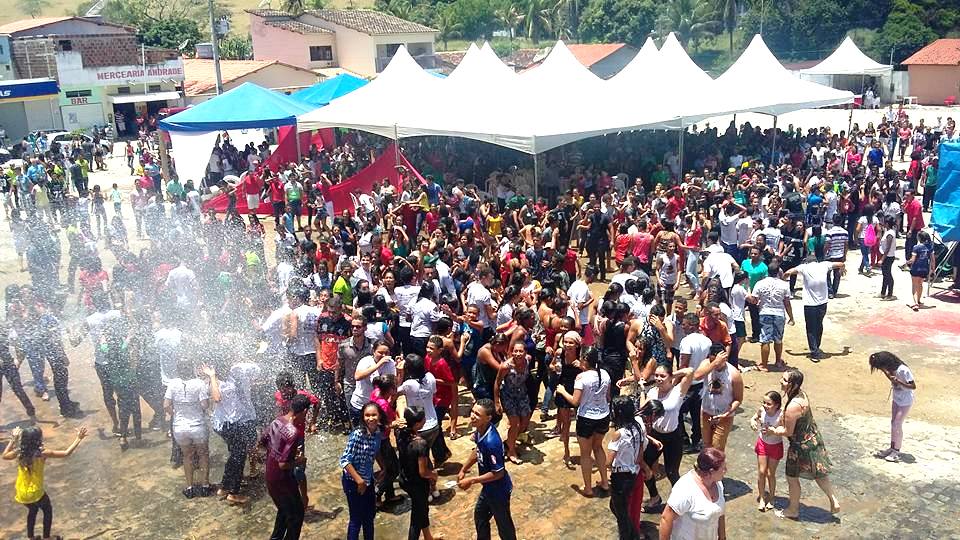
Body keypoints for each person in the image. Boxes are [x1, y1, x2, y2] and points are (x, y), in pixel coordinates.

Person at [765, 370, 841, 519]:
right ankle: (833, 499)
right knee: (818, 472)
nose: (781, 381)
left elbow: (787, 431)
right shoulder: (802, 395)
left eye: (785, 380)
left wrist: (773, 430)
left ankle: (793, 510)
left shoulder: (793, 406)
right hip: (813, 439)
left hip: (800, 447)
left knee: (792, 478)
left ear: (794, 385)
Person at [3, 425, 88, 540]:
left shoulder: (19, 452)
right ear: (38, 439)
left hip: (21, 491)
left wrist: (13, 440)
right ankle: (47, 537)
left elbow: (4, 456)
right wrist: (78, 438)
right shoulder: (42, 453)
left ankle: (31, 537)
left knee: (32, 510)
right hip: (36, 491)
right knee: (47, 510)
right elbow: (66, 453)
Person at [457, 398, 517, 540]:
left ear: (488, 418)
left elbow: (498, 473)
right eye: (472, 412)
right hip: (488, 488)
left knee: (504, 526)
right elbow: (477, 450)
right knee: (480, 516)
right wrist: (464, 469)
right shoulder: (480, 430)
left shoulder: (492, 442)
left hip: (498, 491)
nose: (472, 416)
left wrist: (472, 480)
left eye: (477, 414)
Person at [639, 363, 695, 512]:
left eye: (662, 376)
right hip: (655, 436)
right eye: (656, 375)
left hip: (673, 437)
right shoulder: (652, 392)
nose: (658, 378)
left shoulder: (678, 391)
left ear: (670, 377)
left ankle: (682, 501)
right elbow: (642, 410)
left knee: (672, 472)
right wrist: (643, 391)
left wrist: (672, 376)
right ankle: (654, 497)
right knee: (643, 467)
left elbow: (690, 371)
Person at [555, 347, 610, 497]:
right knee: (598, 448)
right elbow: (608, 397)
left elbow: (575, 401)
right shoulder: (605, 374)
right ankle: (605, 482)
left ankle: (588, 488)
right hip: (603, 416)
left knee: (585, 454)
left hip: (587, 419)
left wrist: (562, 391)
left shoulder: (581, 378)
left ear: (585, 360)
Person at [260, 393, 310, 540]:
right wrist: (299, 461)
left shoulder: (277, 421)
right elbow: (283, 464)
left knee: (284, 511)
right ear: (305, 411)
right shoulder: (293, 432)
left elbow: (263, 442)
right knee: (297, 515)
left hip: (270, 476)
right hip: (283, 480)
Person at [164, 356, 212, 498]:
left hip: (180, 427)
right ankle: (205, 486)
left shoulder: (172, 384)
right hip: (198, 426)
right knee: (203, 454)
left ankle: (190, 487)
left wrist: (176, 413)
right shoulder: (199, 383)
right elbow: (205, 405)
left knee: (187, 456)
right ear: (191, 369)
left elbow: (166, 405)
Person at [782, 255, 846, 361]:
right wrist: (842, 270)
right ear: (817, 261)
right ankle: (816, 347)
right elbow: (841, 264)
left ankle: (814, 351)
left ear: (807, 262)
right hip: (823, 302)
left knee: (810, 328)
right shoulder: (824, 265)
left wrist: (783, 278)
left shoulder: (804, 267)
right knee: (819, 325)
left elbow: (789, 272)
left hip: (810, 304)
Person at [658, 448, 727, 540]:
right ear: (711, 472)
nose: (726, 471)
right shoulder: (686, 489)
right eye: (723, 469)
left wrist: (722, 537)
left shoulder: (718, 484)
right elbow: (666, 519)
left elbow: (720, 513)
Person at [607, 395, 649, 540]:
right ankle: (634, 533)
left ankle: (631, 536)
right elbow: (639, 457)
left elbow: (609, 460)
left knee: (621, 515)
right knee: (621, 509)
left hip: (620, 477)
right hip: (633, 474)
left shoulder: (618, 434)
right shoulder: (638, 427)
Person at [340, 402, 383, 540]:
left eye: (374, 415)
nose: (371, 418)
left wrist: (383, 467)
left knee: (369, 516)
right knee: (356, 519)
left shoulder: (377, 433)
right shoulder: (357, 434)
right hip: (353, 482)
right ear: (363, 417)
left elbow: (375, 451)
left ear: (379, 416)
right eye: (367, 415)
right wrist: (360, 482)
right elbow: (345, 461)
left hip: (368, 481)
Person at [396, 406, 440, 540]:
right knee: (416, 518)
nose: (425, 420)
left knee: (422, 509)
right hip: (417, 484)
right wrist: (433, 475)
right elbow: (423, 472)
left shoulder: (400, 432)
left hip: (405, 479)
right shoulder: (420, 444)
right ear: (417, 423)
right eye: (423, 419)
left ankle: (428, 537)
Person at [868, 351, 916, 463]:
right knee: (893, 423)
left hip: (905, 401)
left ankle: (896, 451)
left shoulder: (903, 370)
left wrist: (898, 381)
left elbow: (913, 386)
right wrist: (885, 372)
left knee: (897, 424)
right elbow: (891, 377)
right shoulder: (890, 369)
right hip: (896, 399)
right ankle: (892, 447)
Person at [747, 262, 794, 371]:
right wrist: (791, 316)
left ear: (768, 271)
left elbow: (754, 300)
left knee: (765, 339)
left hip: (765, 312)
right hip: (779, 313)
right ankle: (778, 361)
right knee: (778, 339)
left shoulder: (760, 283)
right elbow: (787, 302)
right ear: (778, 272)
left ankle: (764, 364)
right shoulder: (784, 284)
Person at [693, 350, 742, 451]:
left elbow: (738, 399)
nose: (715, 365)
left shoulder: (734, 374)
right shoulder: (707, 364)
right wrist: (714, 363)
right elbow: (697, 376)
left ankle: (718, 467)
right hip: (706, 412)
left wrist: (727, 412)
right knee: (706, 445)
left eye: (718, 362)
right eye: (712, 361)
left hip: (724, 416)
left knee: (717, 448)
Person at [750, 391, 784, 512]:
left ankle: (771, 497)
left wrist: (774, 431)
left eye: (768, 404)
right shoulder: (762, 410)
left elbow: (785, 429)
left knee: (770, 473)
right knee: (761, 471)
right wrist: (753, 421)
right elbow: (755, 416)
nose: (765, 405)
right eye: (764, 402)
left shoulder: (781, 415)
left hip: (775, 445)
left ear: (776, 405)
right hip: (763, 443)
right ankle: (762, 498)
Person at [904, 230, 935, 312]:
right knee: (920, 284)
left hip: (916, 268)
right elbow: (933, 259)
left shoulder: (916, 247)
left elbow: (913, 260)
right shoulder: (930, 247)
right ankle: (919, 300)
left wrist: (906, 263)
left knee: (914, 285)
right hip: (925, 269)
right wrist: (933, 269)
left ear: (919, 238)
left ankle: (915, 303)